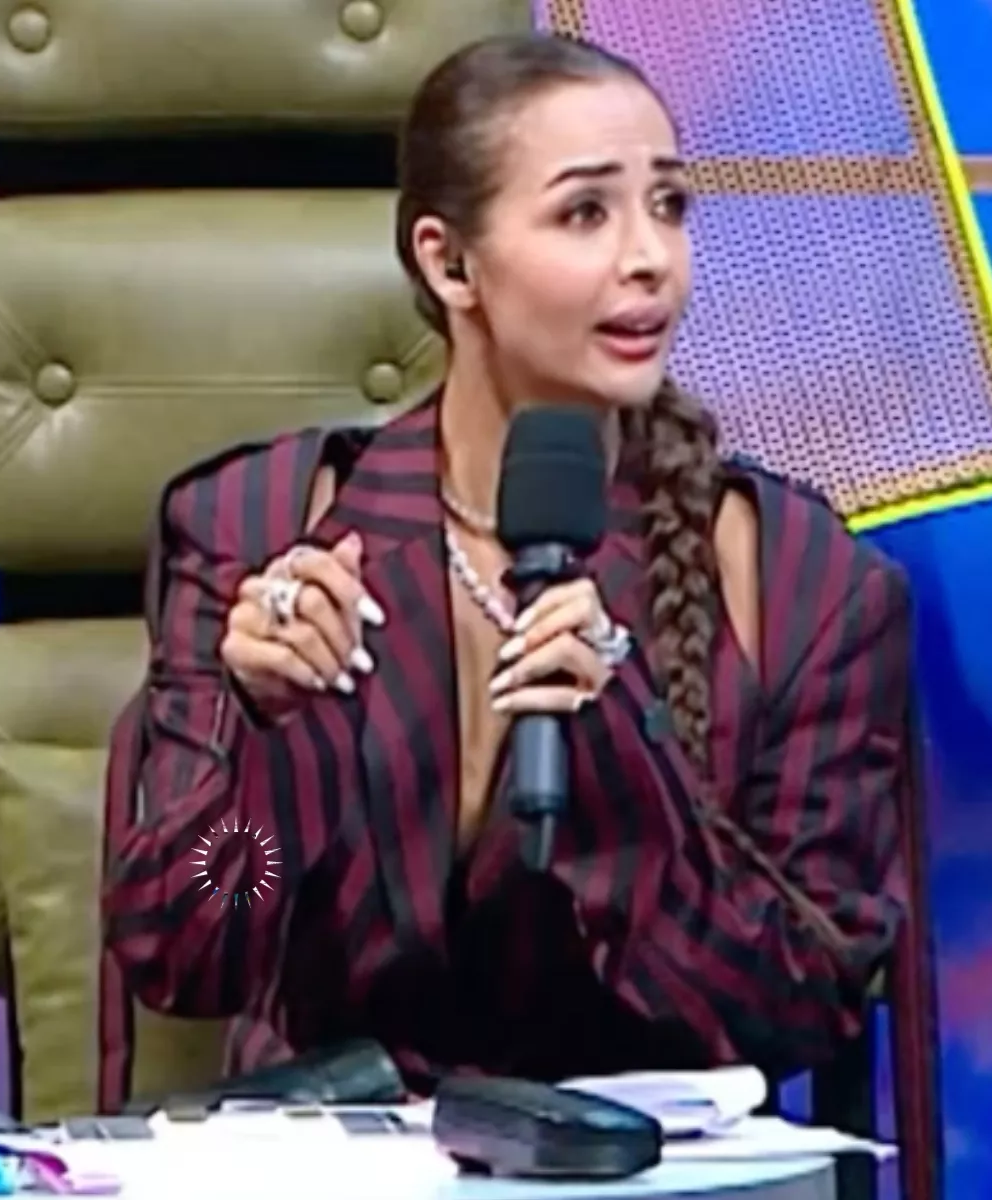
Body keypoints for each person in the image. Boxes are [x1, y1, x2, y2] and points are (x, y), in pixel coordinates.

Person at [99, 32, 913, 1111]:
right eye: (586, 213)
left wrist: (622, 767)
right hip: (347, 1153)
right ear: (450, 264)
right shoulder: (266, 527)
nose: (649, 259)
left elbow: (803, 1004)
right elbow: (185, 952)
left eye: (668, 206)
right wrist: (270, 744)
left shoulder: (800, 580)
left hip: (656, 1162)